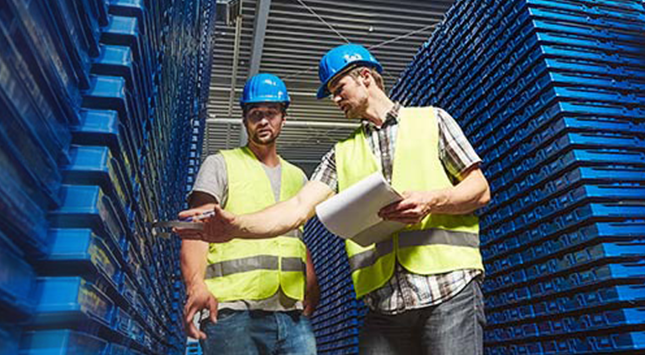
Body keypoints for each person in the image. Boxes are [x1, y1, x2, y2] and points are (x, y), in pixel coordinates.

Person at [176, 44, 491, 355]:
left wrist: (432, 200)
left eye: (339, 89)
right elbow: (296, 210)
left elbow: (479, 189)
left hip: (449, 288)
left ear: (365, 77)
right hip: (384, 305)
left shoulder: (432, 121)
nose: (335, 100)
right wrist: (235, 227)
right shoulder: (339, 156)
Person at [180, 73, 319, 354]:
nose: (264, 120)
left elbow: (296, 237)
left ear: (283, 117)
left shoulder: (299, 177)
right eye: (256, 114)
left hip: (290, 313)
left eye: (272, 113)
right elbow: (196, 229)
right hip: (232, 311)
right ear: (245, 119)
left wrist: (312, 287)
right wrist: (195, 285)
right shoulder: (220, 164)